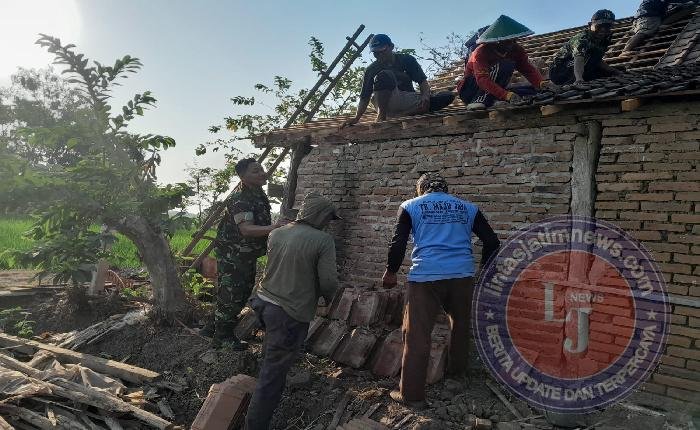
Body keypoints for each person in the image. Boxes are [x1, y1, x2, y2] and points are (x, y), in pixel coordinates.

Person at [382, 173, 501, 407]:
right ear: (445, 190)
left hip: (426, 277)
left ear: (421, 189)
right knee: (460, 326)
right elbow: (492, 242)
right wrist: (483, 271)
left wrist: (391, 271)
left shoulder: (410, 206)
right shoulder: (468, 208)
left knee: (417, 334)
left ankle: (412, 395)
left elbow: (398, 242)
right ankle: (456, 377)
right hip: (462, 276)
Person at [245, 192, 340, 430]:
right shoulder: (322, 240)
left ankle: (256, 391)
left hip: (263, 302)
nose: (328, 223)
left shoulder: (277, 232)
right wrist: (331, 299)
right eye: (328, 218)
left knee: (271, 356)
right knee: (272, 377)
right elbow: (329, 281)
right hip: (288, 312)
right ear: (319, 215)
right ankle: (255, 425)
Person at [211, 158, 287, 349]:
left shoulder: (258, 194)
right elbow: (246, 229)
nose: (262, 173)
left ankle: (212, 328)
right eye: (255, 171)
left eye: (262, 169)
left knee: (237, 292)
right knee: (233, 295)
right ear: (242, 176)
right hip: (234, 256)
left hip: (245, 254)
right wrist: (275, 227)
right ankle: (222, 337)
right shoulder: (241, 198)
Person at [342, 34, 454, 125]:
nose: (380, 55)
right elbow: (365, 97)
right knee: (384, 75)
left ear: (391, 46)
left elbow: (422, 82)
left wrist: (425, 97)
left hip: (406, 100)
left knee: (447, 96)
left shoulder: (407, 60)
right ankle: (382, 116)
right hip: (385, 103)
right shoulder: (372, 69)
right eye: (376, 53)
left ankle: (402, 114)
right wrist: (357, 118)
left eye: (382, 51)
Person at [457, 15, 549, 110]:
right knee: (505, 65)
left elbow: (527, 69)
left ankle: (492, 99)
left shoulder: (516, 50)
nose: (511, 44)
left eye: (513, 40)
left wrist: (541, 84)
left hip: (492, 89)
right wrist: (506, 96)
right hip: (470, 90)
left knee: (530, 92)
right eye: (507, 41)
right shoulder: (481, 52)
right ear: (498, 41)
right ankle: (479, 100)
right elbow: (482, 79)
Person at [549, 9, 622, 85]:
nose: (603, 29)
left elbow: (597, 60)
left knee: (616, 71)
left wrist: (614, 71)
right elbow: (579, 59)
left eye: (607, 27)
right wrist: (579, 79)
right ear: (590, 25)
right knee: (590, 59)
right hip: (559, 71)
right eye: (599, 26)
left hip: (579, 66)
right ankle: (573, 80)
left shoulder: (604, 39)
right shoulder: (582, 39)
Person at [622, 0, 697, 54]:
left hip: (657, 16)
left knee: (689, 7)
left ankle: (659, 26)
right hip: (647, 17)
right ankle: (626, 50)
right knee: (644, 32)